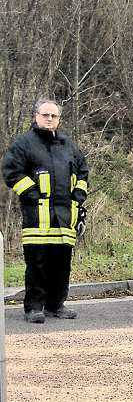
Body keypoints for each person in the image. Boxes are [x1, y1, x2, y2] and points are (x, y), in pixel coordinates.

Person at [3, 99, 88, 324]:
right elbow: (11, 171)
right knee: (37, 264)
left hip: (64, 217)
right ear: (36, 116)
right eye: (45, 115)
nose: (50, 119)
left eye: (54, 116)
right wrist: (31, 193)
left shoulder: (68, 145)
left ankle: (56, 305)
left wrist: (78, 197)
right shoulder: (24, 144)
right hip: (38, 216)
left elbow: (82, 171)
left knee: (62, 264)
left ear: (59, 119)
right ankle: (34, 308)